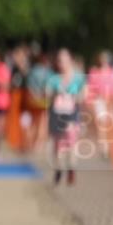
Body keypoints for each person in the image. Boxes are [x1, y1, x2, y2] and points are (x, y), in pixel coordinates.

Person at [46, 48, 86, 185]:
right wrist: (55, 95)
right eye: (59, 61)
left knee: (70, 138)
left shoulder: (78, 77)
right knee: (57, 143)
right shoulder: (53, 78)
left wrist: (74, 97)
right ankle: (58, 169)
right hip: (57, 113)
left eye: (64, 60)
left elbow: (84, 95)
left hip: (72, 112)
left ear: (70, 60)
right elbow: (47, 94)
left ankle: (71, 168)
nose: (61, 63)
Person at [86, 51, 113, 158]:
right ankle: (104, 148)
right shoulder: (94, 72)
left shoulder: (112, 72)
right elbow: (90, 88)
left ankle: (110, 147)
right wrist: (90, 101)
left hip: (110, 101)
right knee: (102, 125)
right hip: (99, 100)